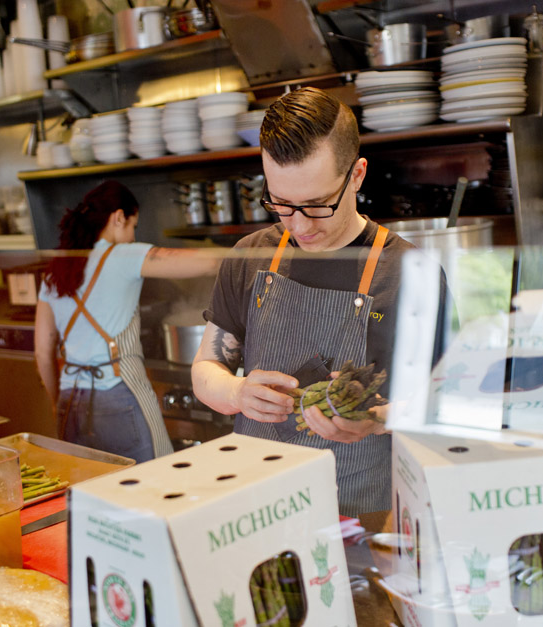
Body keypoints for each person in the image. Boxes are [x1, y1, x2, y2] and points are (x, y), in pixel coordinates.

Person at [191, 87, 450, 516]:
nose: (299, 225)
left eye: (316, 204)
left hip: (360, 514)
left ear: (357, 175)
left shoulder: (409, 271)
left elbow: (442, 405)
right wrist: (238, 392)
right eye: (281, 203)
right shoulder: (250, 256)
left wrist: (377, 418)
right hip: (256, 507)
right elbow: (206, 369)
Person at [35, 180, 218, 463]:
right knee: (150, 484)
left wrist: (53, 402)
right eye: (133, 226)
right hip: (118, 395)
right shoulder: (122, 254)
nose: (133, 236)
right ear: (118, 217)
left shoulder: (55, 270)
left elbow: (42, 352)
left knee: (94, 491)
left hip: (70, 400)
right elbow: (207, 263)